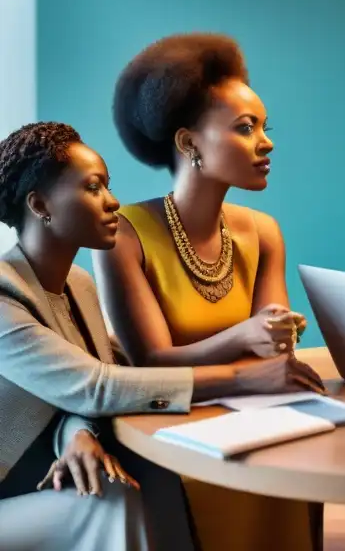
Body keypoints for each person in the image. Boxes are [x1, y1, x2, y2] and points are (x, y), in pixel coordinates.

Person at [0, 121, 325, 551]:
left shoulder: (78, 283)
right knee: (110, 498)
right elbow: (96, 385)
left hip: (47, 470)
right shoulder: (5, 294)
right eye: (93, 188)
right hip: (11, 489)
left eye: (108, 186)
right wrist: (244, 378)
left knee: (146, 473)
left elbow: (82, 383)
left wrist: (79, 435)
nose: (113, 202)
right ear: (40, 204)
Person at [93, 33, 322, 551]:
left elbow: (274, 349)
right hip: (172, 434)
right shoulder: (121, 235)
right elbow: (149, 360)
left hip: (258, 418)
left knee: (301, 463)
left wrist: (275, 335)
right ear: (188, 143)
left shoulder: (263, 231)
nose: (267, 143)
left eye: (264, 127)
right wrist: (245, 340)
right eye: (246, 129)